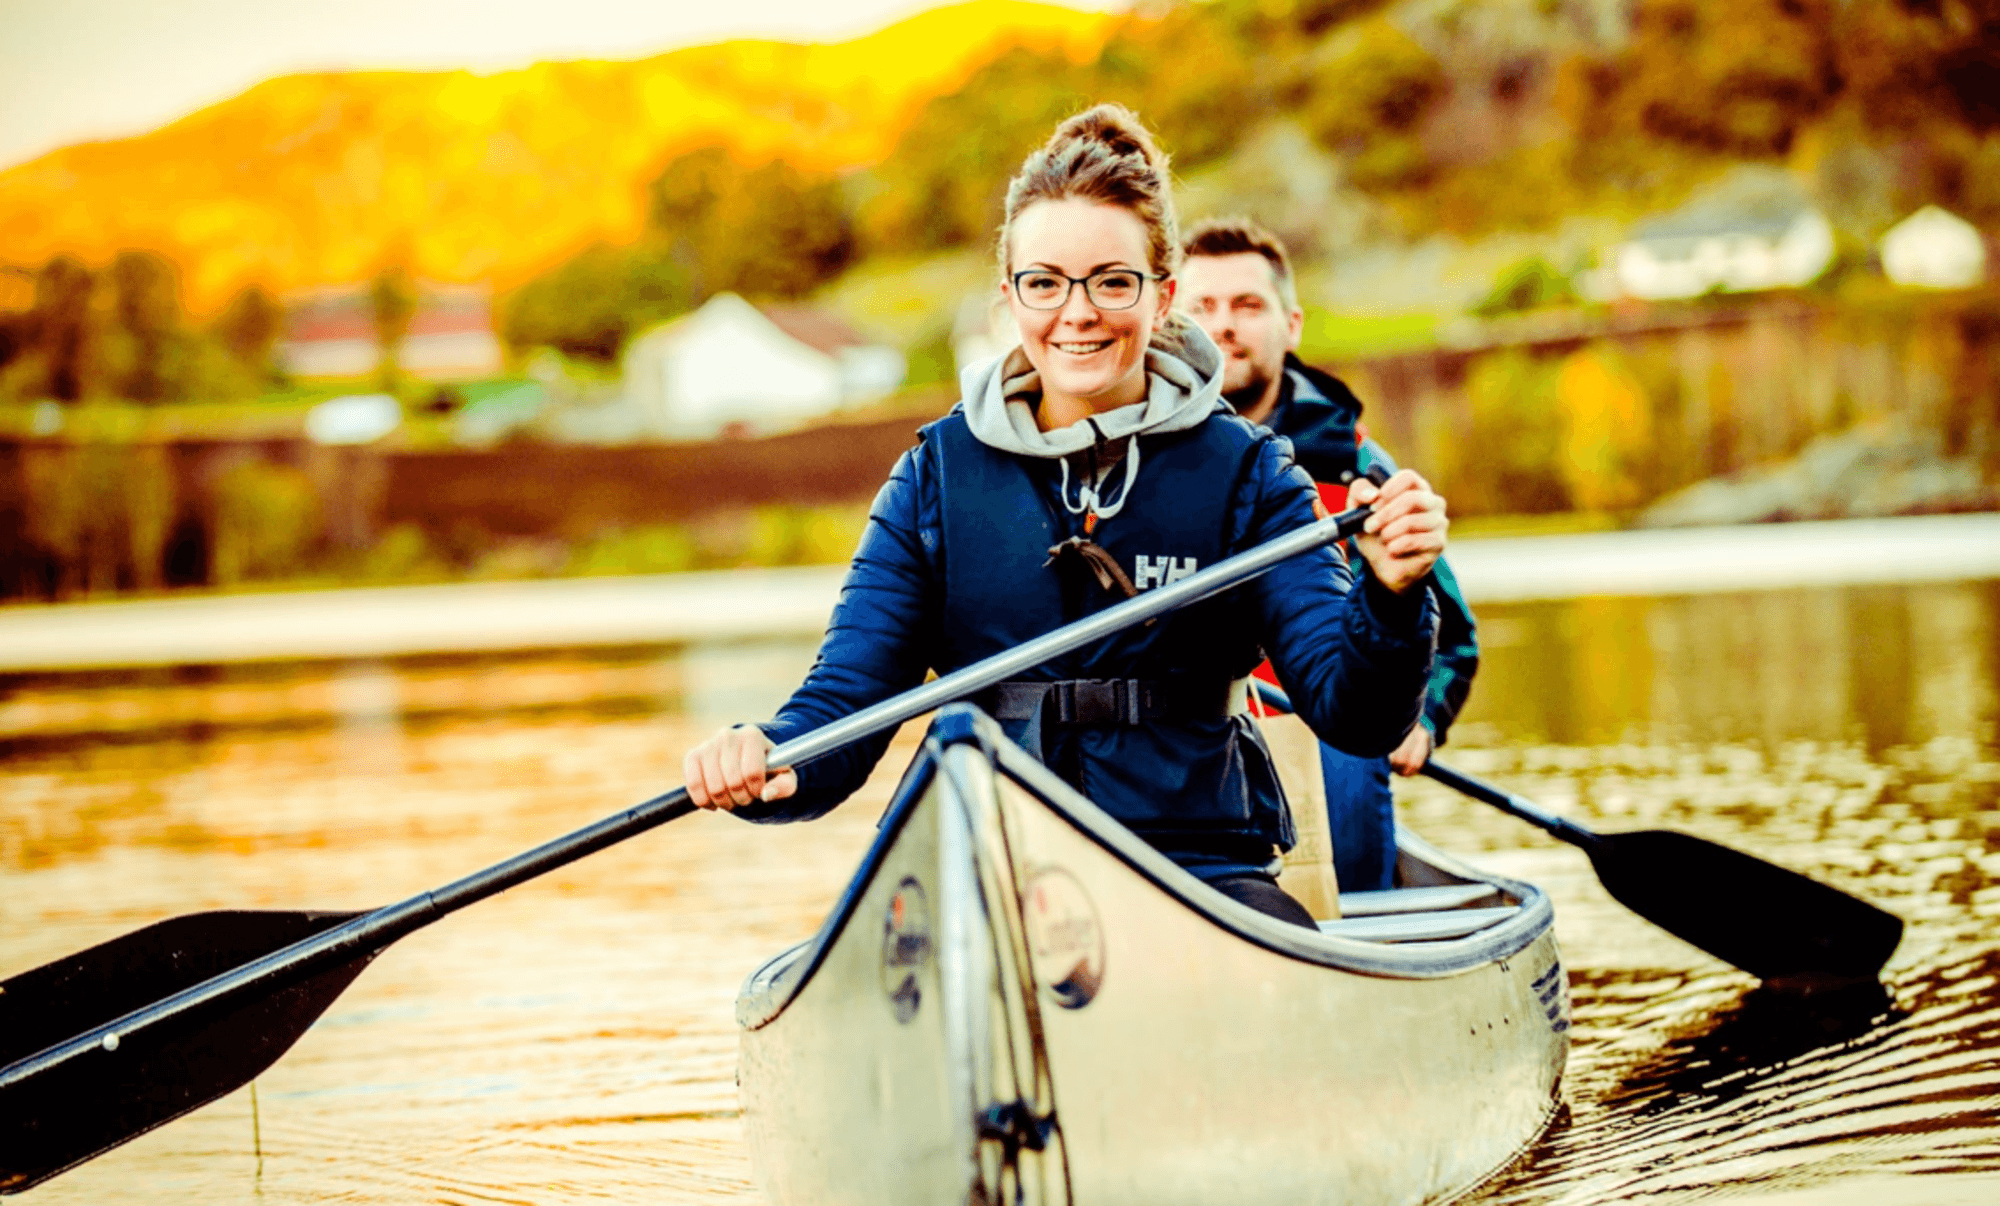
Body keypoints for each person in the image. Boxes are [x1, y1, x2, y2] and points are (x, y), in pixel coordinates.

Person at [681, 106, 1450, 929]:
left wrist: (1393, 593)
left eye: (1112, 281)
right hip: (986, 863)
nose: (1077, 312)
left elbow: (1357, 714)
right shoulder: (935, 475)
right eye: (1044, 282)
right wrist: (767, 757)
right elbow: (844, 702)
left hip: (1196, 868)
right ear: (1008, 298)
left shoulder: (1252, 472)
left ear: (1163, 296)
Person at [1177, 216, 1480, 891]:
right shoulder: (1136, 460)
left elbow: (1449, 632)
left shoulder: (1359, 466)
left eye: (1248, 305)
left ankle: (1359, 925)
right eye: (1203, 307)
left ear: (1291, 325)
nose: (1224, 325)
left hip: (1328, 731)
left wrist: (1420, 717)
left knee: (1348, 750)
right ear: (1173, 322)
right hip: (1188, 737)